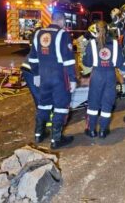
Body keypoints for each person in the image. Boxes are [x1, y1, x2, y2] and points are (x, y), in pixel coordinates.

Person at [28, 12, 77, 149]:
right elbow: (69, 60)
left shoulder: (38, 34)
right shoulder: (63, 34)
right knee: (61, 106)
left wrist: (36, 74)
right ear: (61, 21)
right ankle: (56, 139)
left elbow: (32, 58)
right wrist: (72, 79)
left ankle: (39, 134)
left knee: (44, 104)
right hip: (59, 77)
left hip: (44, 77)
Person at [83, 20, 123, 138]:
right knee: (107, 103)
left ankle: (91, 130)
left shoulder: (91, 44)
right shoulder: (115, 44)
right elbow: (120, 62)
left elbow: (87, 62)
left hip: (96, 75)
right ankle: (103, 131)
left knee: (93, 103)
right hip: (110, 75)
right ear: (108, 30)